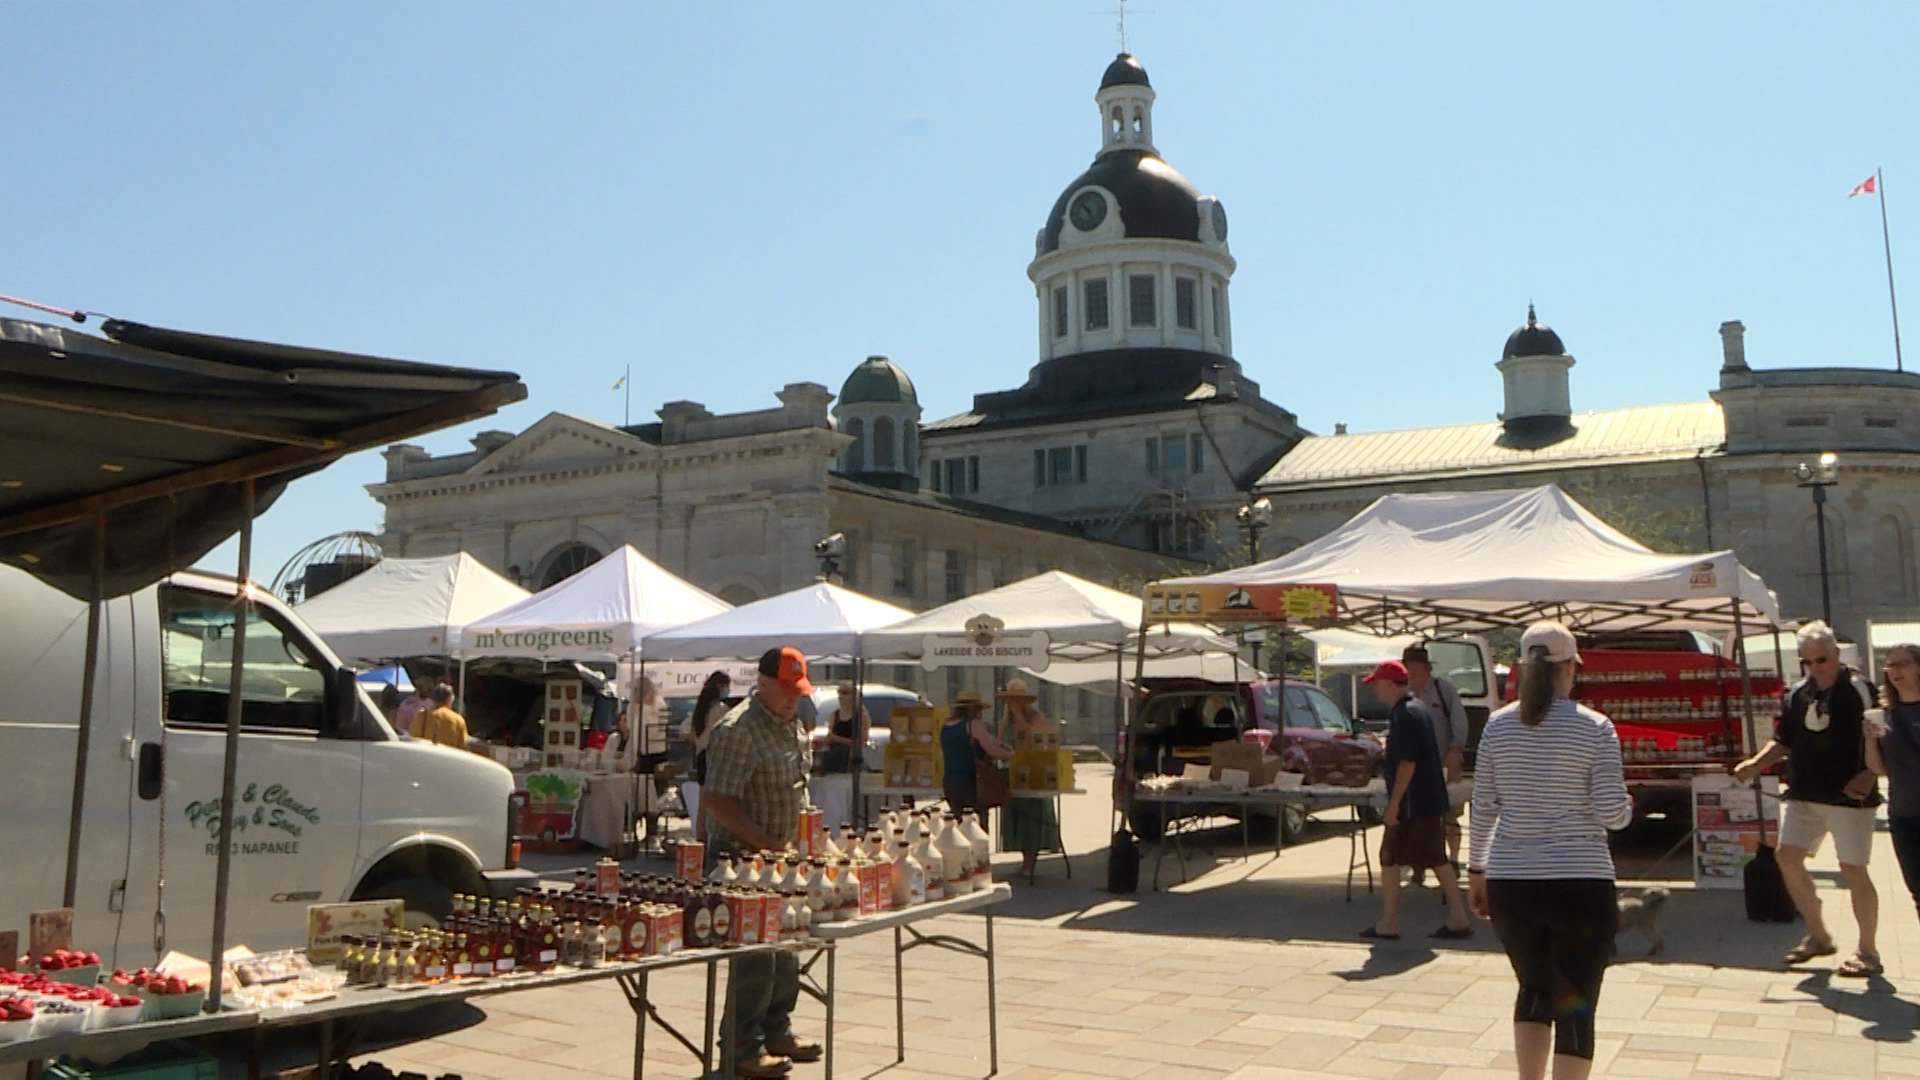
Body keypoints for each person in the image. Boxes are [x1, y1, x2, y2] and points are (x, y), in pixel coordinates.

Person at [1468, 621, 1630, 1080]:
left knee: (1534, 989)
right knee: (1576, 1001)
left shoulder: (1497, 727)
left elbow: (1483, 807)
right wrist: (1627, 808)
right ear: (1571, 668)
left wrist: (1476, 870)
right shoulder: (1595, 728)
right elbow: (1610, 812)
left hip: (1511, 879)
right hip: (1581, 880)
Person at [1734, 620, 1886, 977]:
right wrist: (1755, 763)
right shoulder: (1797, 692)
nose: (1817, 668)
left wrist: (1869, 774)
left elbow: (1883, 736)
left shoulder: (1860, 689)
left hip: (1850, 798)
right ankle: (1818, 935)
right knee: (1787, 857)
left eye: (1822, 660)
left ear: (1835, 653)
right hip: (1804, 793)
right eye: (1809, 662)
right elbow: (1784, 739)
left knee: (1853, 871)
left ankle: (1868, 951)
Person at [701, 648, 821, 1078]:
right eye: (786, 692)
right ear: (763, 683)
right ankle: (741, 1046)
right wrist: (763, 840)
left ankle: (777, 1029)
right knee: (756, 957)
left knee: (787, 949)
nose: (794, 700)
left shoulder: (791, 727)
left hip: (783, 861)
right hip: (742, 861)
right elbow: (716, 799)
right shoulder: (738, 730)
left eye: (799, 691)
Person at [1360, 660, 1470, 941]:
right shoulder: (1417, 708)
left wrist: (1394, 804)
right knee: (1436, 858)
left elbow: (1407, 762)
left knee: (1389, 857)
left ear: (1388, 683)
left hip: (1412, 802)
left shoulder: (1404, 714)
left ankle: (1389, 922)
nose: (1375, 692)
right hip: (1429, 799)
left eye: (1377, 685)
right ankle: (1458, 917)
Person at [1404, 643, 1470, 877]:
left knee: (1450, 814)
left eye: (1410, 664)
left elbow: (1459, 721)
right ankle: (1419, 862)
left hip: (1446, 762)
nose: (1407, 669)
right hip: (1416, 767)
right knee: (1418, 817)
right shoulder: (1406, 693)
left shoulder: (1444, 689)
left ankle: (1452, 859)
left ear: (1422, 665)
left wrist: (1455, 749)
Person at [996, 678, 1060, 877]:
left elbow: (1032, 736)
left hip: (1033, 772)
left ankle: (1030, 862)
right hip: (1011, 771)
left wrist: (1018, 715)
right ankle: (1024, 858)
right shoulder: (1005, 720)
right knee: (1017, 817)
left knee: (1031, 818)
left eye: (1016, 700)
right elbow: (1000, 742)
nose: (1012, 703)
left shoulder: (1035, 716)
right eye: (1009, 700)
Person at [1878, 643, 1920, 924]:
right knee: (1918, 892)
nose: (1895, 671)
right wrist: (1870, 739)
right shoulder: (1886, 714)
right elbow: (1880, 769)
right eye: (1890, 666)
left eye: (1902, 664)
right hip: (1903, 814)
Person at [810, 681, 869, 834]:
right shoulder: (834, 715)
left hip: (849, 764)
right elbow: (830, 737)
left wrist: (837, 739)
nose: (841, 696)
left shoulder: (861, 716)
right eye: (839, 693)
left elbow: (861, 742)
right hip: (832, 763)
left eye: (845, 693)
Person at [939, 690, 1011, 814]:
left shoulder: (945, 727)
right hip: (972, 781)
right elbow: (991, 750)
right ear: (974, 709)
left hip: (949, 782)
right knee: (977, 821)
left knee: (958, 821)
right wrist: (1011, 755)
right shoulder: (974, 725)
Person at [681, 671, 732, 839]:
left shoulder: (700, 708)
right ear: (720, 687)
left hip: (701, 755)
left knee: (703, 804)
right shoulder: (721, 709)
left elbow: (689, 733)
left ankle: (700, 840)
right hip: (714, 756)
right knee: (718, 802)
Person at [411, 684, 470, 750]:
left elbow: (413, 737)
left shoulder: (422, 715)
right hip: (448, 757)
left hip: (426, 754)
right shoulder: (458, 720)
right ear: (450, 699)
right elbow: (463, 745)